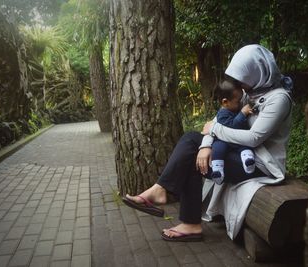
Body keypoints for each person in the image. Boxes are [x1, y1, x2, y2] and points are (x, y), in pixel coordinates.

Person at [122, 44, 293, 242]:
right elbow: (219, 118)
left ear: (258, 71)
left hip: (260, 164)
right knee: (192, 144)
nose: (240, 84)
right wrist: (205, 145)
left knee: (190, 150)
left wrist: (213, 131)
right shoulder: (251, 92)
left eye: (242, 79)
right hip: (238, 152)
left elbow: (254, 138)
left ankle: (177, 208)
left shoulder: (279, 99)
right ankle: (176, 207)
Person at [210, 80, 256, 185]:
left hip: (237, 140)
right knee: (217, 148)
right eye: (238, 101)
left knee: (245, 144)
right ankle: (217, 170)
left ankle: (248, 161)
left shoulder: (233, 108)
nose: (241, 103)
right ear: (225, 102)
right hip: (224, 140)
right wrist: (242, 114)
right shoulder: (222, 114)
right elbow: (231, 127)